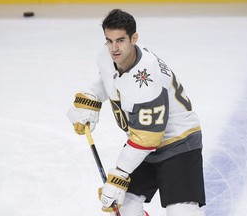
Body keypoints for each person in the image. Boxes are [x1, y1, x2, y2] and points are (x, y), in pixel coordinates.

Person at [67, 9, 206, 216]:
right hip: (144, 142)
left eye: (120, 40)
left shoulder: (147, 78)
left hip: (179, 144)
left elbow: (148, 138)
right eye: (109, 40)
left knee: (182, 212)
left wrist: (119, 175)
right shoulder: (108, 55)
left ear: (134, 38)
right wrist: (90, 97)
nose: (114, 48)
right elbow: (109, 78)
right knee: (123, 207)